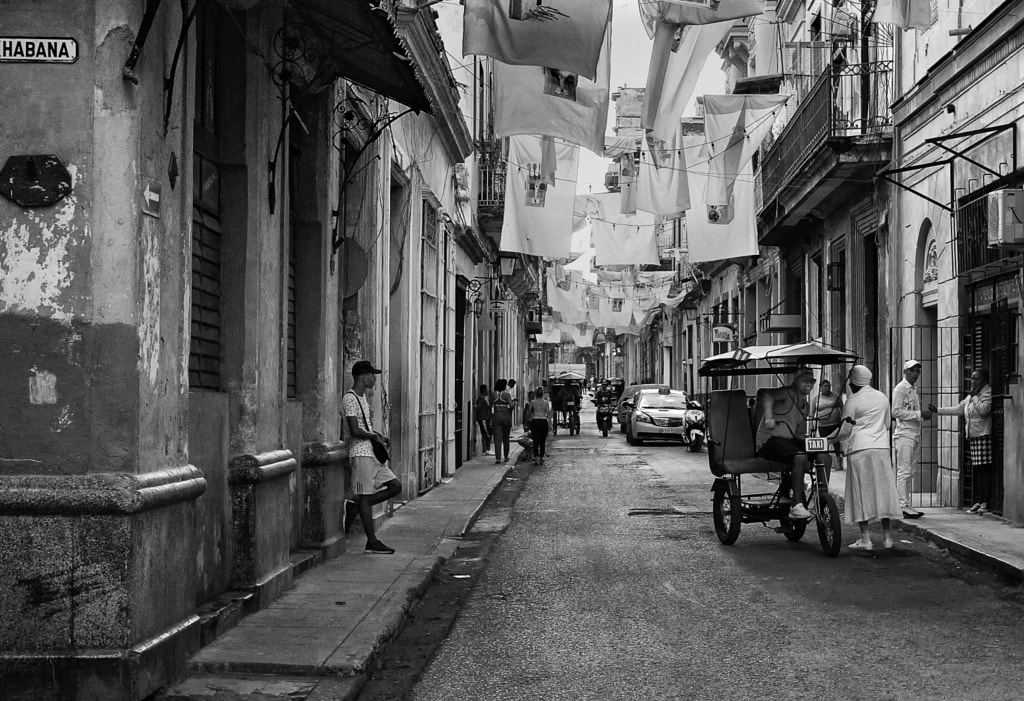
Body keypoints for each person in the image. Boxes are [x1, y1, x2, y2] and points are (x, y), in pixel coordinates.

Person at [830, 365, 902, 551]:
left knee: (860, 492)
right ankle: (887, 537)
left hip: (859, 449)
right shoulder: (882, 397)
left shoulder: (853, 401)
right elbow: (887, 424)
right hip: (881, 448)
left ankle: (866, 539)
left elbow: (845, 430)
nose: (850, 387)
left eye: (851, 383)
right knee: (883, 490)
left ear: (854, 382)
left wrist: (828, 439)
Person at [342, 360, 402, 555]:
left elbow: (364, 427)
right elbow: (354, 430)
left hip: (371, 453)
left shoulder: (363, 398)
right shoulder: (350, 398)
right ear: (363, 376)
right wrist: (373, 436)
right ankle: (372, 541)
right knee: (366, 496)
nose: (374, 379)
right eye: (372, 375)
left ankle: (358, 506)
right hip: (360, 453)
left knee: (395, 486)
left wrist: (378, 435)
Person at [755, 368, 831, 520]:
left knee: (825, 456)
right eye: (805, 380)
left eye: (812, 381)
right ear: (796, 381)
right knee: (800, 457)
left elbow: (799, 434)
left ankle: (821, 495)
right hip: (769, 440)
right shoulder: (788, 392)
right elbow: (768, 396)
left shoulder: (806, 404)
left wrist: (810, 441)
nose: (809, 384)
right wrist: (769, 416)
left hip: (788, 441)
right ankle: (796, 505)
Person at [930, 368, 993, 514]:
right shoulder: (971, 395)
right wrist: (937, 410)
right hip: (973, 435)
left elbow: (984, 410)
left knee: (984, 470)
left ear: (983, 380)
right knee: (977, 471)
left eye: (975, 379)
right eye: (971, 378)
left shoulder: (986, 392)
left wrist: (976, 397)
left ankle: (985, 501)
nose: (972, 381)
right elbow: (958, 409)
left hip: (983, 435)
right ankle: (978, 500)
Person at [892, 359, 932, 519]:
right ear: (905, 372)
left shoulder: (914, 389)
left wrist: (920, 415)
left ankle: (906, 503)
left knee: (910, 471)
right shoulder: (901, 389)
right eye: (913, 371)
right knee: (904, 470)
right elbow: (896, 412)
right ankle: (902, 505)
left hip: (914, 433)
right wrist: (919, 414)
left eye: (918, 371)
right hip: (904, 434)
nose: (916, 374)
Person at [811, 378, 845, 470]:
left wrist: (843, 419)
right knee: (824, 444)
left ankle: (838, 465)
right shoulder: (816, 398)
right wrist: (811, 424)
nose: (827, 388)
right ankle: (825, 464)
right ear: (820, 387)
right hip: (822, 426)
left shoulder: (835, 396)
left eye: (829, 386)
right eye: (825, 386)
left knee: (836, 444)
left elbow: (842, 407)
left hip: (835, 424)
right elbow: (812, 412)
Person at [491, 379, 514, 465]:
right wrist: (512, 406)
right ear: (504, 386)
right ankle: (506, 456)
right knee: (506, 437)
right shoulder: (506, 395)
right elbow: (511, 405)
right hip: (505, 416)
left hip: (496, 416)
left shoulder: (493, 394)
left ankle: (498, 458)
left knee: (497, 438)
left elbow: (490, 405)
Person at [528, 387, 552, 465]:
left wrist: (529, 422)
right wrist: (550, 425)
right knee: (542, 441)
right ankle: (541, 458)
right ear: (542, 394)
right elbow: (548, 414)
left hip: (535, 421)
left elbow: (529, 413)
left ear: (535, 394)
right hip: (543, 422)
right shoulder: (546, 402)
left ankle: (536, 458)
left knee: (535, 441)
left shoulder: (532, 402)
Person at [474, 384, 492, 455]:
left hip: (484, 418)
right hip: (483, 418)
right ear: (484, 390)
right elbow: (478, 406)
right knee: (488, 433)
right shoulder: (481, 398)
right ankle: (487, 449)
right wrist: (474, 406)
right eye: (486, 389)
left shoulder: (483, 398)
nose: (487, 391)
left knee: (484, 433)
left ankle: (485, 450)